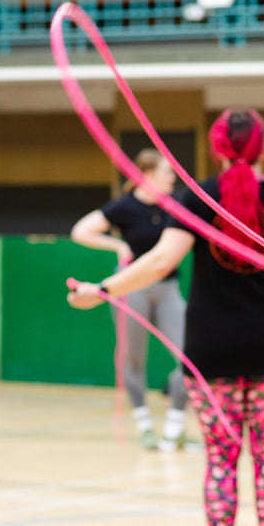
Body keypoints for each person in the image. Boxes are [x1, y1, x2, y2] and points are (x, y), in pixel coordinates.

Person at [69, 109, 264, 526]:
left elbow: (161, 260)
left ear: (215, 149)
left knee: (221, 461)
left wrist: (102, 288)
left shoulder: (198, 195)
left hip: (212, 351)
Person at [70, 148, 191, 451]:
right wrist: (117, 245)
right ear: (148, 175)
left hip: (168, 288)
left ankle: (175, 427)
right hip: (132, 287)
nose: (173, 177)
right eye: (167, 172)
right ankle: (144, 425)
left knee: (190, 356)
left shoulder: (175, 204)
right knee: (133, 358)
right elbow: (81, 231)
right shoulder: (124, 207)